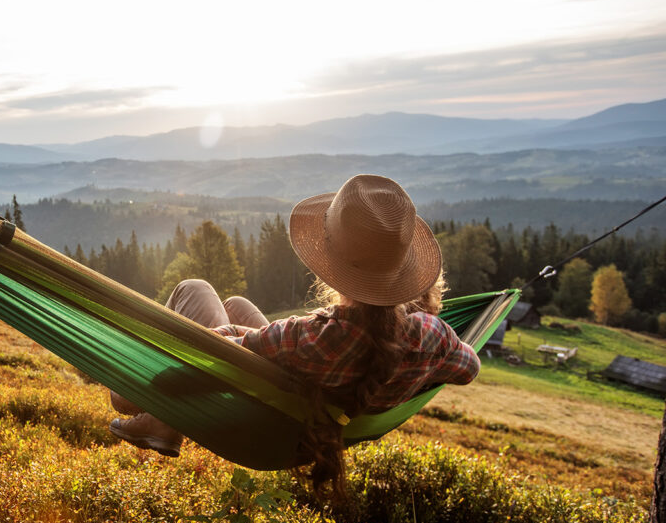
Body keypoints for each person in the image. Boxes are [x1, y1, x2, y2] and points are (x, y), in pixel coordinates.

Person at [108, 174, 481, 498]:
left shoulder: (305, 338)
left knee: (194, 289)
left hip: (258, 417)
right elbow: (469, 369)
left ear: (330, 265)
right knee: (236, 302)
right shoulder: (434, 337)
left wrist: (149, 376)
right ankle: (165, 421)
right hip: (306, 412)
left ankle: (164, 422)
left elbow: (205, 367)